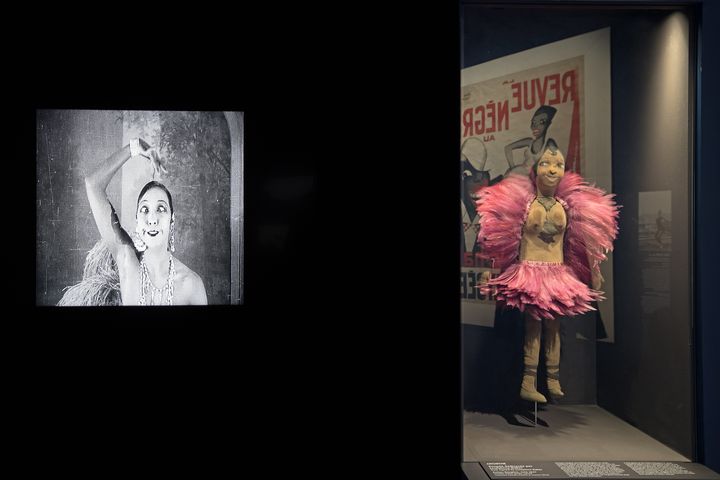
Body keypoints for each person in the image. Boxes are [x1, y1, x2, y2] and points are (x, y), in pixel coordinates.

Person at [476, 139, 619, 403]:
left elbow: (580, 244)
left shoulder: (567, 207)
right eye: (546, 163)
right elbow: (503, 242)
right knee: (534, 326)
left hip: (557, 275)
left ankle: (552, 378)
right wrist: (493, 268)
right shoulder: (525, 206)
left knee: (553, 326)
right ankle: (528, 382)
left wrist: (594, 271)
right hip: (530, 272)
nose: (552, 169)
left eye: (558, 164)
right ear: (535, 169)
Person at [83, 138, 207, 305]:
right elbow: (93, 184)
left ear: (172, 220)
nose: (152, 219)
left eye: (161, 209)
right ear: (137, 222)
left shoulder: (192, 285)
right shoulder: (128, 262)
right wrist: (134, 147)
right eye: (144, 210)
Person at [503, 105, 557, 177]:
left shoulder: (549, 143)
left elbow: (558, 162)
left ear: (548, 124)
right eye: (533, 122)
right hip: (521, 176)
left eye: (542, 122)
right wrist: (512, 168)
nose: (535, 126)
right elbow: (507, 148)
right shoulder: (529, 142)